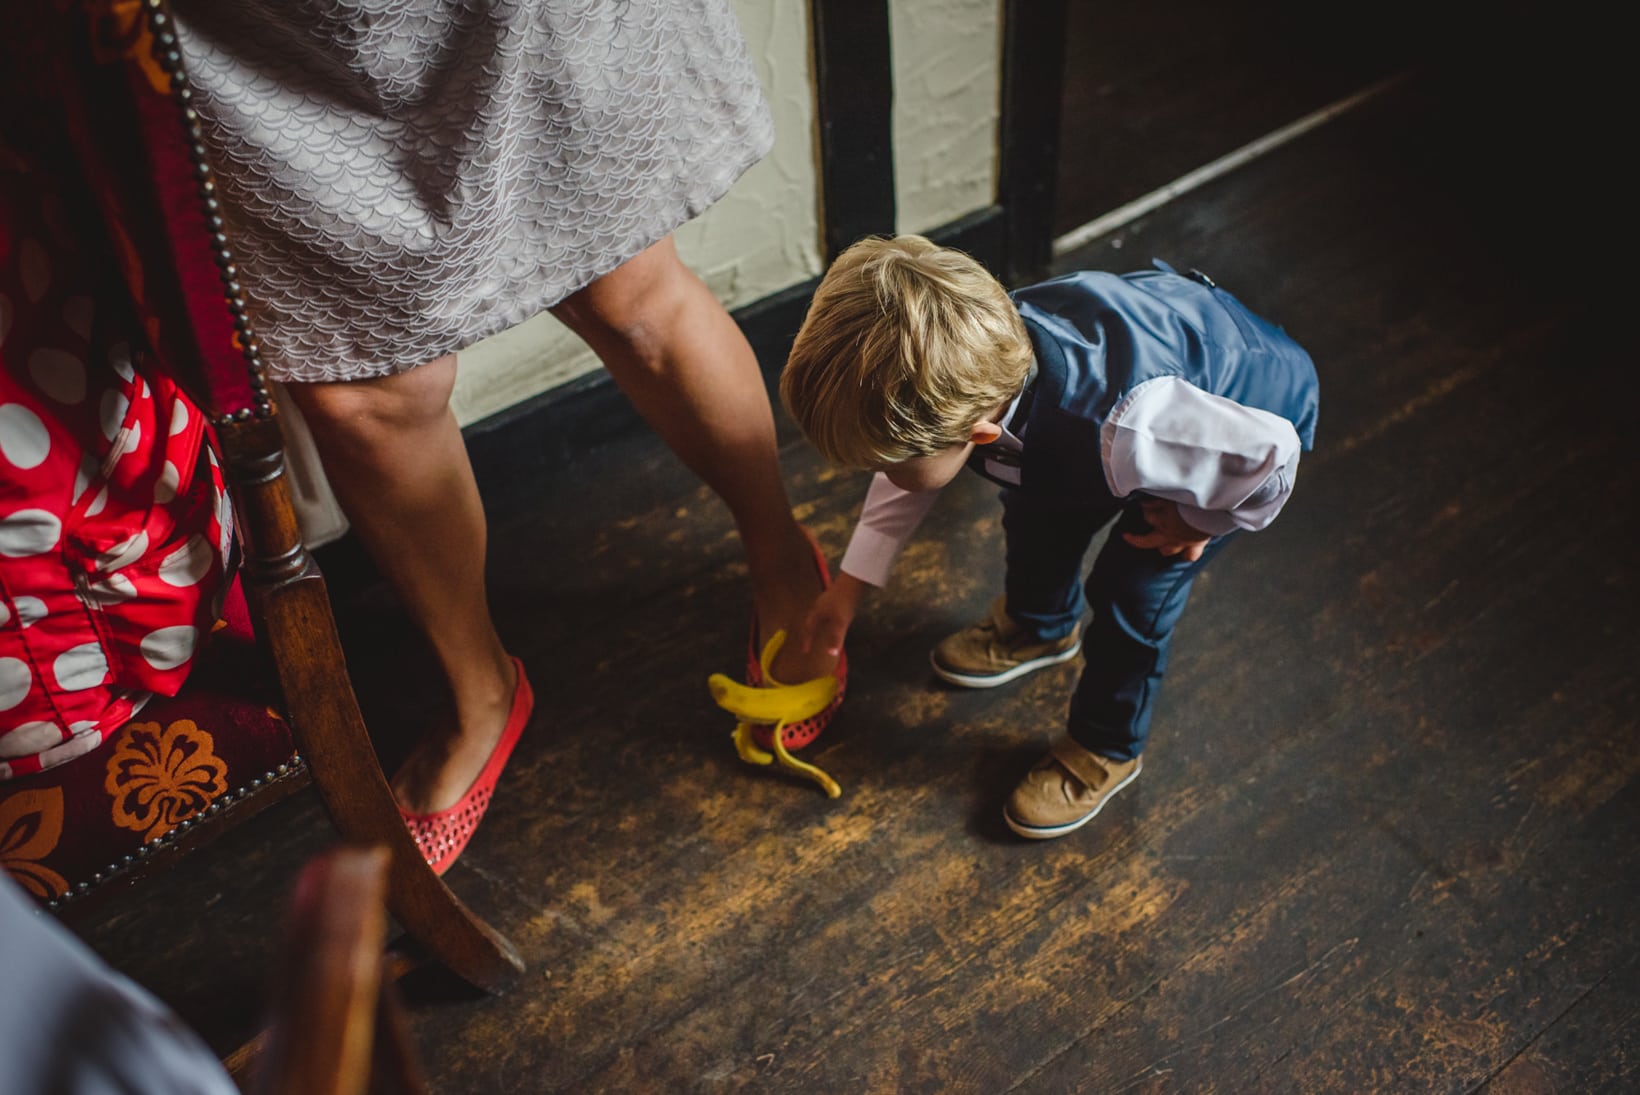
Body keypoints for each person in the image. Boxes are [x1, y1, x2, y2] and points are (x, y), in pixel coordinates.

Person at [166, 1, 840, 872]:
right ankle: (479, 687)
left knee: (629, 284)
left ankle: (783, 559)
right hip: (257, 43)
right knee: (361, 394)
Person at [779, 235, 1319, 839]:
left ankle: (1107, 748)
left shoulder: (1133, 425)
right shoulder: (967, 368)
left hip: (1235, 444)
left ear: (978, 434)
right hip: (1133, 413)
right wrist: (847, 590)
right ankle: (1040, 625)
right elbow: (913, 476)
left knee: (1130, 590)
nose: (884, 475)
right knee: (1037, 511)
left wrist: (1201, 521)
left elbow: (1274, 458)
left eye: (892, 462)